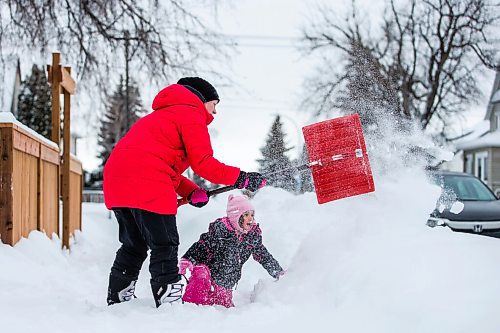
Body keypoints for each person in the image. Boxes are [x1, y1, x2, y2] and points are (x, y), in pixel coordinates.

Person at [103, 77, 266, 307]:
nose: (215, 111)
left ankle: (118, 296)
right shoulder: (191, 114)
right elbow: (204, 163)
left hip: (116, 182)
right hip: (149, 181)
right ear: (201, 99)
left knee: (134, 244)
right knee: (164, 244)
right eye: (214, 104)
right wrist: (243, 178)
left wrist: (191, 191)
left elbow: (156, 164)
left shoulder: (161, 116)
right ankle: (168, 297)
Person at [179, 194, 284, 308]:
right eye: (246, 215)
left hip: (226, 280)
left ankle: (217, 302)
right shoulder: (220, 232)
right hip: (208, 273)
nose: (251, 218)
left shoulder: (251, 236)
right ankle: (192, 305)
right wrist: (188, 259)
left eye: (252, 215)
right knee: (201, 274)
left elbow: (263, 255)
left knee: (223, 306)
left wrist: (277, 272)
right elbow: (202, 246)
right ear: (235, 216)